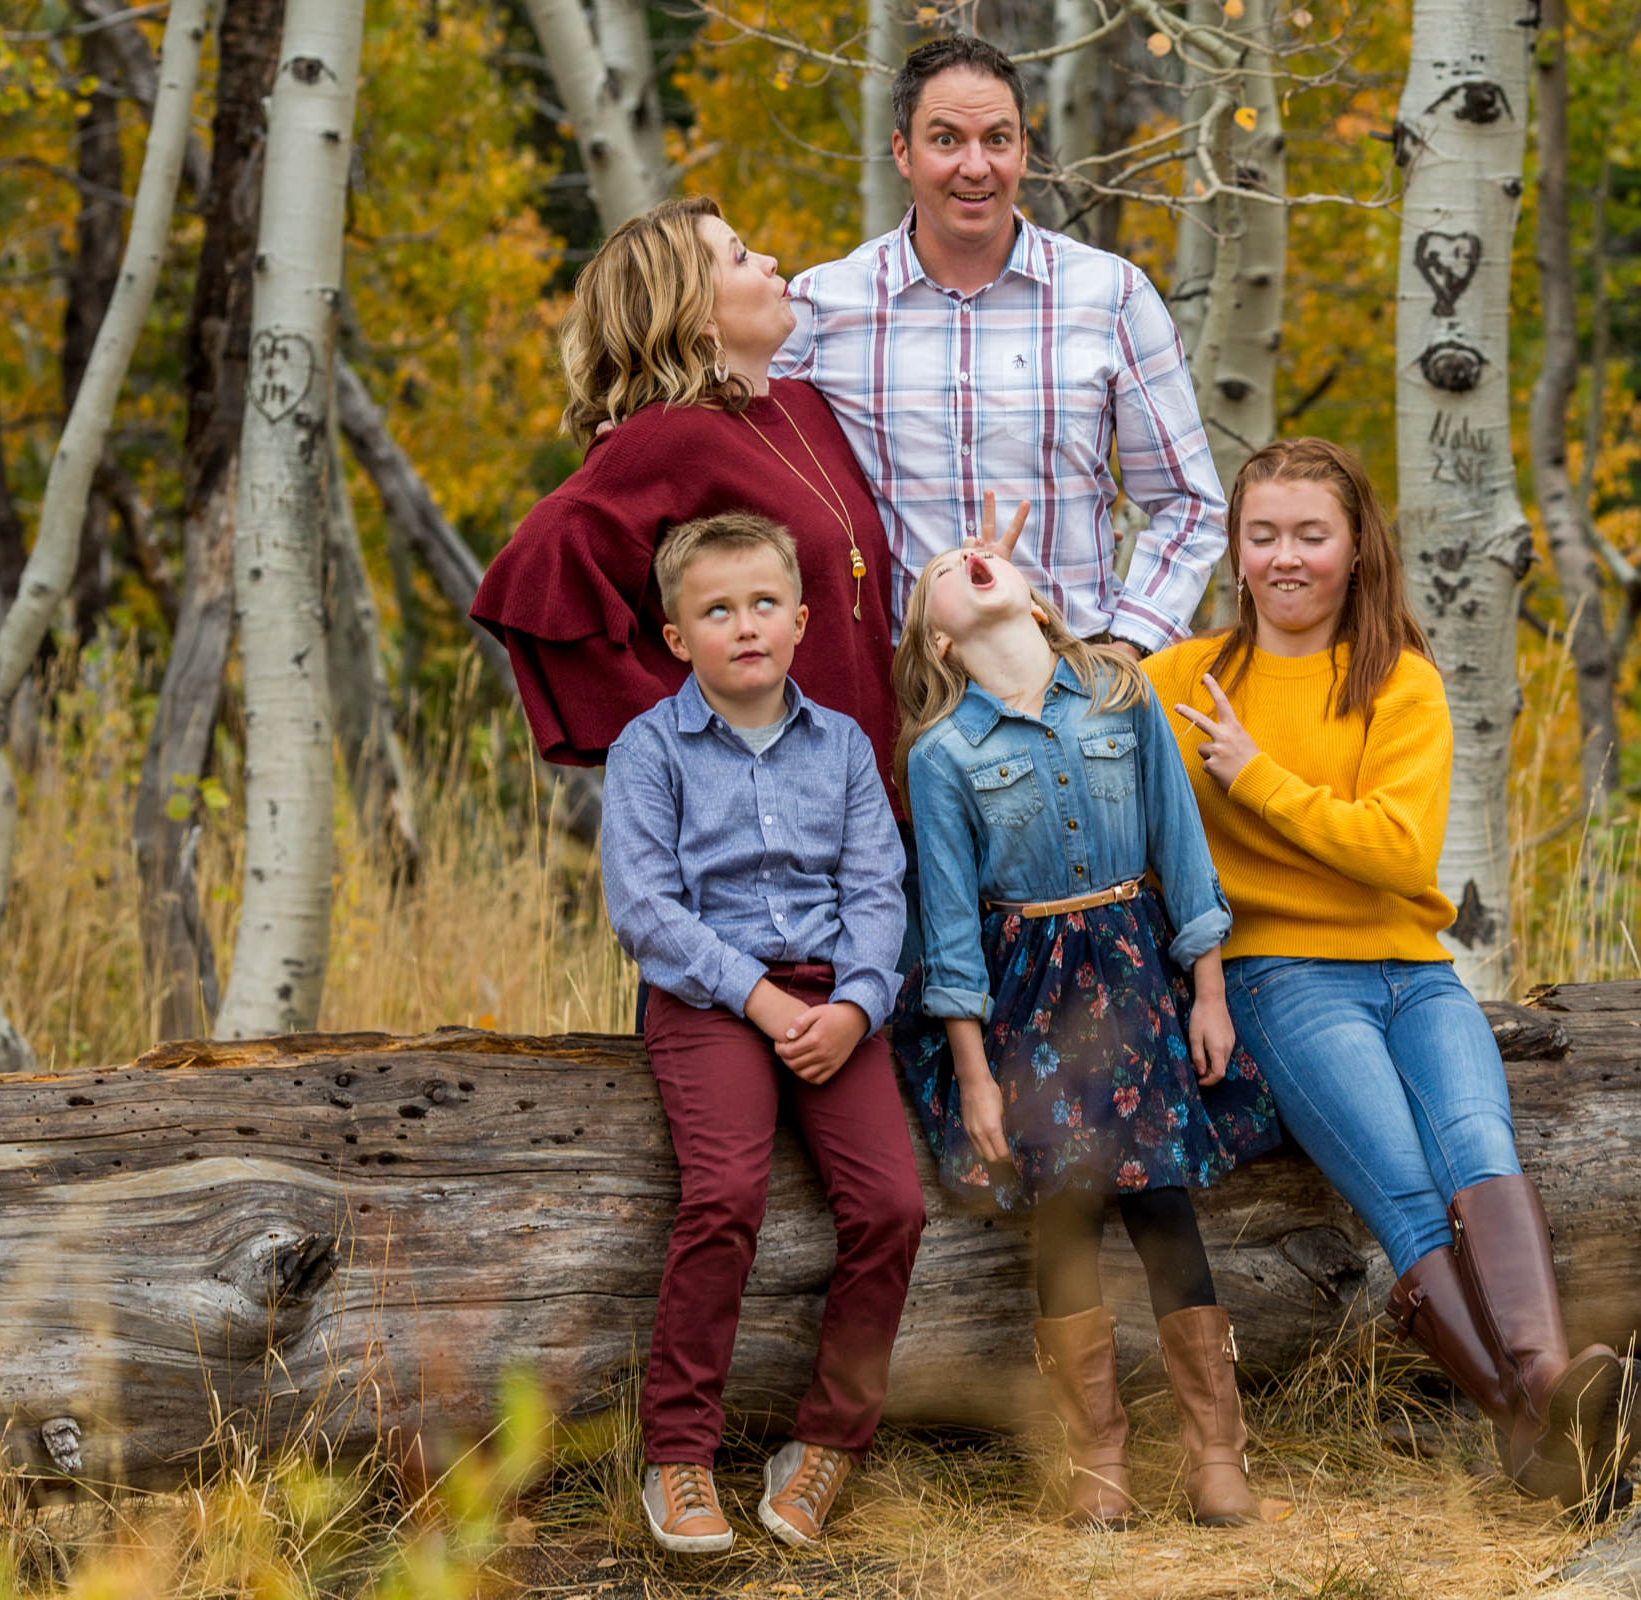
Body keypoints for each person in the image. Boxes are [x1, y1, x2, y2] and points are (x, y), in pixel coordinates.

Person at [1143, 438, 1641, 1513]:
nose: (1287, 558)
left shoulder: (1401, 682)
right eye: (1263, 534)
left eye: (1311, 535)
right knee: (1408, 1192)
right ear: (1234, 550)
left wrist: (1254, 777)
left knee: (1479, 1146)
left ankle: (1547, 1397)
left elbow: (1397, 852)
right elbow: (1069, 713)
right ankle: (1542, 1419)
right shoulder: (1183, 679)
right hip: (1285, 978)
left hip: (1418, 976)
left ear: (1356, 548)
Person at [893, 543, 1280, 1528]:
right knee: (1064, 1209)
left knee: (1162, 1204)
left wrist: (1208, 990)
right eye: (944, 564)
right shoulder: (942, 754)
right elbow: (947, 929)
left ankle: (1215, 1453)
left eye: (986, 552)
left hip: (1135, 970)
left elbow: (1180, 849)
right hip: (1029, 994)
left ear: (1032, 591)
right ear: (940, 633)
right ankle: (1098, 1458)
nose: (972, 558)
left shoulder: (1120, 693)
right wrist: (974, 1075)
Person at [601, 513, 924, 1552]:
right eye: (716, 609)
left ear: (801, 619)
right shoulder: (650, 749)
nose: (744, 625)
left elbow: (878, 889)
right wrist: (761, 998)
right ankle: (680, 1456)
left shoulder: (841, 747)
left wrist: (857, 1004)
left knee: (892, 1204)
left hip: (834, 997)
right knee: (726, 1192)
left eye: (763, 604)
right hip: (709, 1001)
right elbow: (645, 907)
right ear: (676, 637)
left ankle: (827, 1440)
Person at [776, 36, 1225, 659]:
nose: (975, 165)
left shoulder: (1111, 296)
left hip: (1077, 683)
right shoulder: (823, 308)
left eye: (996, 138)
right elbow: (732, 452)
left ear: (1023, 150)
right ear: (902, 151)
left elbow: (1189, 505)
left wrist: (1131, 648)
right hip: (903, 694)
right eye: (945, 140)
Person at [472, 197, 898, 793]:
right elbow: (535, 574)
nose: (773, 263)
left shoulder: (805, 407)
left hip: (878, 809)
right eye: (742, 257)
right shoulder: (664, 436)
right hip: (772, 830)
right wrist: (676, 740)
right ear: (697, 314)